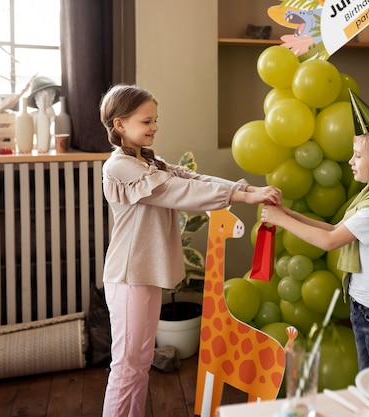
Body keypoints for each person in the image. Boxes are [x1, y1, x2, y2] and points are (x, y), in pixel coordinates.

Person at [99, 84, 281, 417]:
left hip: (144, 275)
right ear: (120, 124)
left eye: (155, 119)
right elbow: (177, 191)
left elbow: (192, 178)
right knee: (127, 366)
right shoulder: (120, 167)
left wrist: (246, 189)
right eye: (146, 121)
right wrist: (242, 197)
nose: (154, 127)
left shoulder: (148, 161)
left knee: (139, 364)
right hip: (129, 276)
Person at [261, 117, 369, 370]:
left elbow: (330, 241)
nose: (350, 162)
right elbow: (335, 229)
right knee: (368, 373)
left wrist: (283, 220)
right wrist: (287, 214)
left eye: (356, 156)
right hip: (364, 305)